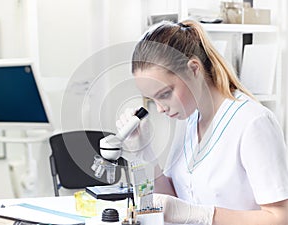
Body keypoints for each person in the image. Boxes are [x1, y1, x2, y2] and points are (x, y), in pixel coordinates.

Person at [116, 20, 288, 225]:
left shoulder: (252, 122)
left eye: (165, 94)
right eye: (152, 100)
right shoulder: (188, 121)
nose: (161, 108)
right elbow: (175, 200)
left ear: (194, 69)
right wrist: (144, 152)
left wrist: (203, 215)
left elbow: (280, 217)